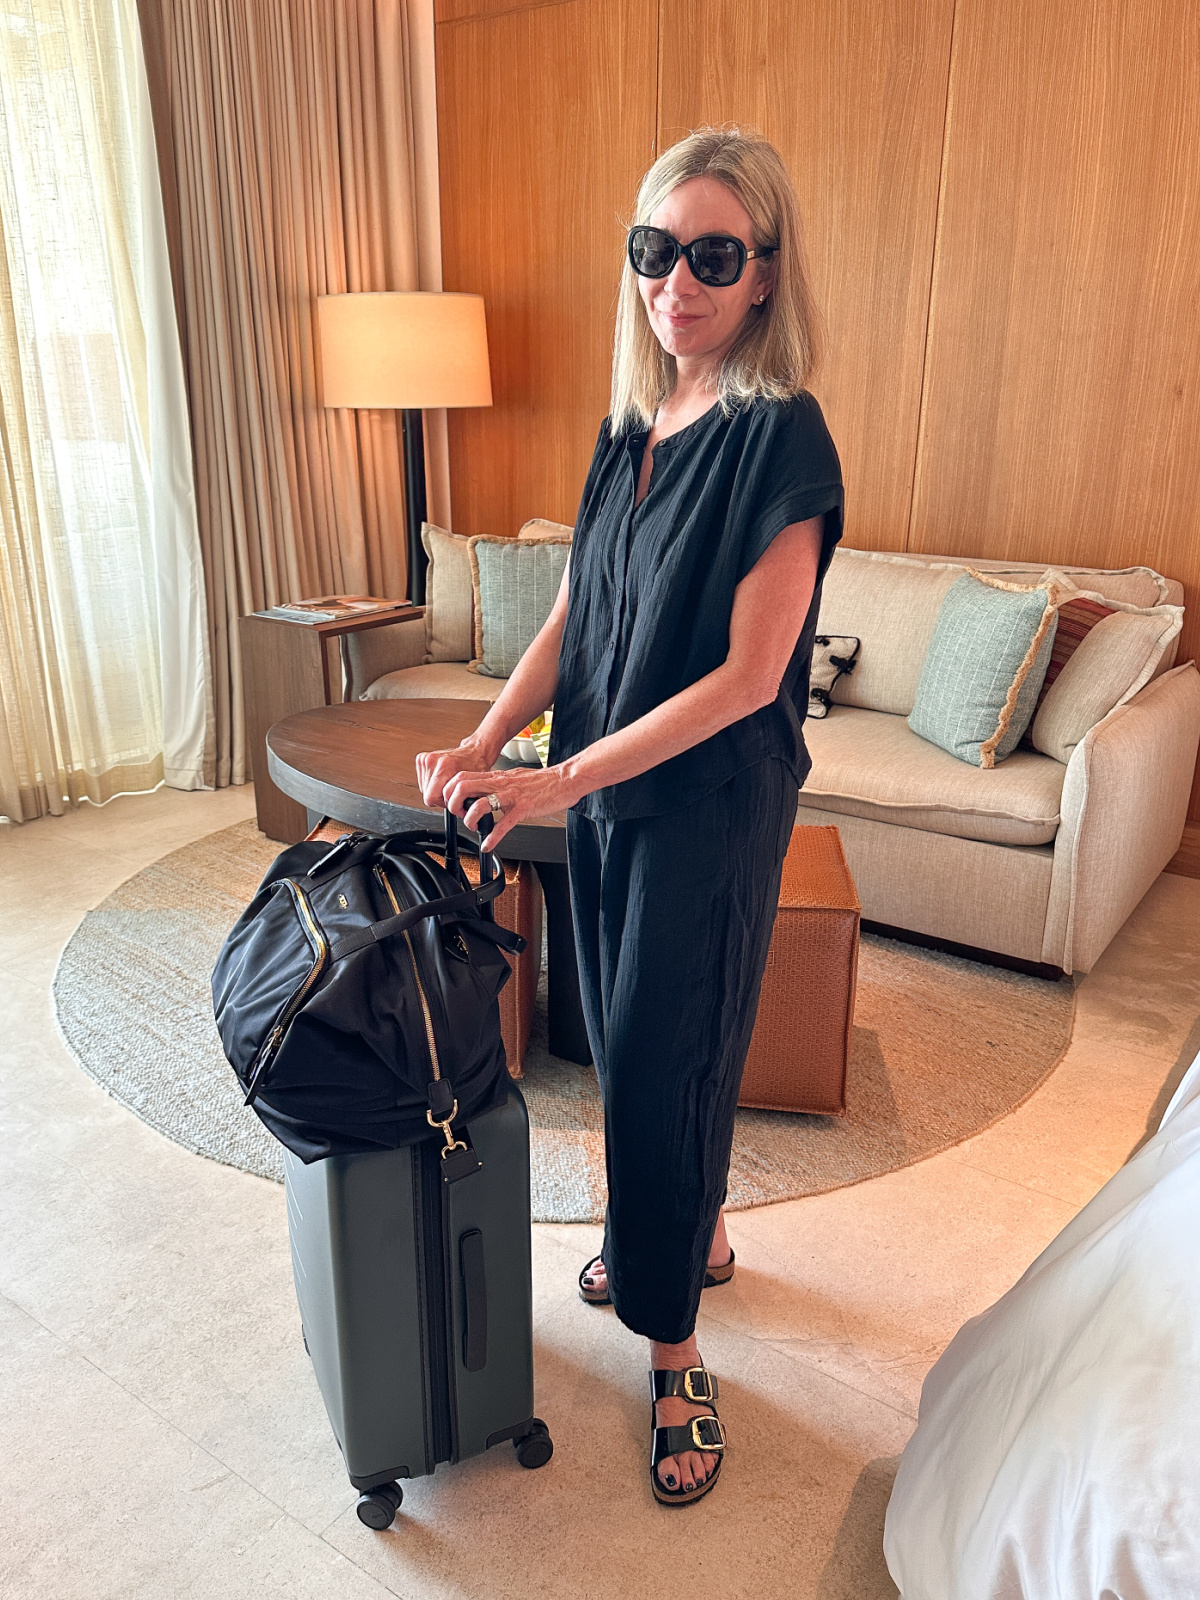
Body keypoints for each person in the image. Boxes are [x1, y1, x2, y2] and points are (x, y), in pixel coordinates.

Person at [416, 126, 843, 1507]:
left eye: (712, 255)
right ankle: (689, 1229)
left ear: (766, 273)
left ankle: (672, 1349)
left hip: (707, 803)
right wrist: (489, 740)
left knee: (671, 1052)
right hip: (601, 790)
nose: (677, 283)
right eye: (655, 252)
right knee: (614, 1035)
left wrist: (560, 778)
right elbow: (569, 618)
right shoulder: (627, 423)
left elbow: (747, 679)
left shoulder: (782, 436)